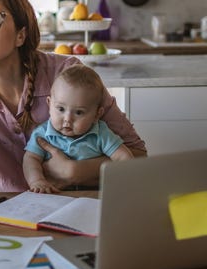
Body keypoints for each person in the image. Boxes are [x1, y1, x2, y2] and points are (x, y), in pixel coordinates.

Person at [0, 0, 146, 196]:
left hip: (71, 208)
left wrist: (76, 171)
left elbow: (138, 156)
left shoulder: (67, 75)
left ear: (20, 35)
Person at [23, 64, 134, 194]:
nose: (67, 119)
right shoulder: (42, 134)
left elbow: (123, 157)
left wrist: (126, 179)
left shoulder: (100, 133)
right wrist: (37, 181)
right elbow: (30, 159)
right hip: (56, 194)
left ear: (97, 115)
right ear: (49, 104)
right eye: (61, 109)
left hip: (94, 194)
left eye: (79, 112)